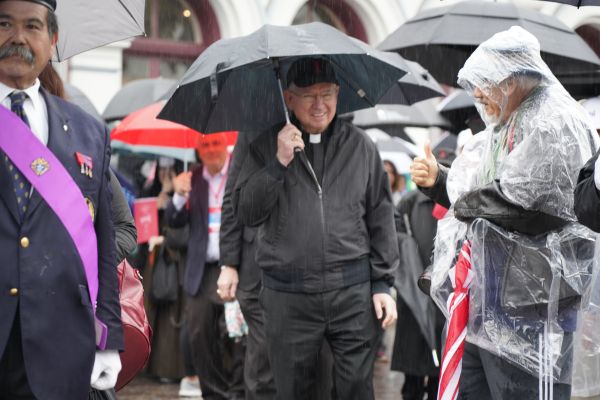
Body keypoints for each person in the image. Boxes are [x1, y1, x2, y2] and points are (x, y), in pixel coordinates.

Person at [411, 26, 597, 399]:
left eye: (483, 82)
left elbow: (521, 203)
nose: (476, 94)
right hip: (486, 301)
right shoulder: (506, 123)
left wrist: (462, 200)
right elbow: (484, 189)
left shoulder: (552, 122)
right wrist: (438, 180)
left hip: (534, 311)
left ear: (510, 81)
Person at [233, 57, 398, 400]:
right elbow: (246, 211)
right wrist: (278, 163)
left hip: (350, 290)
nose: (320, 104)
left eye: (328, 93)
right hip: (287, 293)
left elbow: (381, 217)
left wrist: (382, 282)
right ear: (289, 98)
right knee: (294, 390)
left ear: (339, 94)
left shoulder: (361, 147)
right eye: (309, 95)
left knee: (355, 386)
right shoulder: (265, 144)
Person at [0, 1, 123, 399]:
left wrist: (109, 335)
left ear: (52, 40)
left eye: (32, 26)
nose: (17, 37)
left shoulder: (89, 132)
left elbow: (104, 240)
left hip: (61, 343)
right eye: (4, 23)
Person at [165, 132, 244, 400]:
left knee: (238, 334)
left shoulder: (241, 171)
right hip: (202, 271)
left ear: (226, 145)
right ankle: (214, 393)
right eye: (205, 145)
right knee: (199, 335)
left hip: (236, 269)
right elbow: (174, 222)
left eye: (216, 143)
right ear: (198, 150)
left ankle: (239, 391)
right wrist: (178, 195)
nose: (211, 150)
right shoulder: (193, 179)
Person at [391, 148, 455, 400]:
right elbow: (394, 231)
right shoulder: (409, 203)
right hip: (414, 296)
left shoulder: (457, 202)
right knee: (414, 370)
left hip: (443, 296)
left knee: (440, 368)